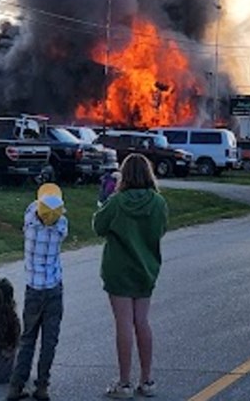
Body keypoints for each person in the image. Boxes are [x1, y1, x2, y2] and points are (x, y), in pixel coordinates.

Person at [93, 154, 168, 399]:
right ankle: (147, 380)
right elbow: (161, 230)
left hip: (118, 269)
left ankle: (124, 383)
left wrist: (103, 202)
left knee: (123, 323)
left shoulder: (117, 202)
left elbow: (98, 227)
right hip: (145, 269)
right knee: (142, 322)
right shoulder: (158, 203)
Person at [6, 183, 68, 401]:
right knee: (49, 340)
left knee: (28, 338)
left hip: (33, 289)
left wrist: (42, 203)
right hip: (53, 290)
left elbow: (33, 208)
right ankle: (42, 386)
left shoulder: (30, 223)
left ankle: (16, 385)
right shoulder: (61, 227)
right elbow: (58, 215)